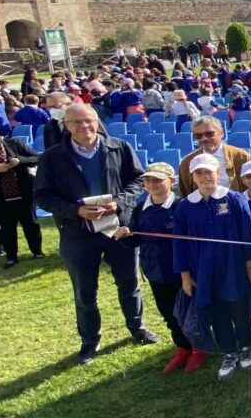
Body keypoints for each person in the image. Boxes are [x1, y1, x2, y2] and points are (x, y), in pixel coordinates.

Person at [34, 103, 157, 364]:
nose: (84, 126)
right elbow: (42, 196)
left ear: (96, 120)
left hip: (118, 228)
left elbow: (137, 180)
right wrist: (74, 210)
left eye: (88, 120)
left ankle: (137, 328)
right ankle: (90, 341)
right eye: (76, 122)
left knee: (129, 282)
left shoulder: (119, 147)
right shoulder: (52, 157)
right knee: (84, 290)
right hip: (78, 233)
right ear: (66, 126)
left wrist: (120, 202)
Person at [173, 153, 251, 379]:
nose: (204, 177)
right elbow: (179, 244)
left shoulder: (235, 199)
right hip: (203, 271)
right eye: (199, 173)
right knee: (217, 312)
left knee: (239, 309)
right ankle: (229, 351)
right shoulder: (184, 206)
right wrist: (185, 276)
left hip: (234, 267)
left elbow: (247, 235)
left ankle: (246, 347)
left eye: (208, 172)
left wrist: (250, 266)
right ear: (192, 177)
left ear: (218, 173)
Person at [113, 163, 203, 373]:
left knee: (187, 312)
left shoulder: (181, 206)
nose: (152, 184)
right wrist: (125, 235)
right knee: (168, 313)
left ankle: (199, 348)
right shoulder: (140, 208)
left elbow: (191, 242)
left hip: (181, 272)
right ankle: (182, 347)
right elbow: (134, 242)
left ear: (171, 182)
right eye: (148, 180)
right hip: (155, 272)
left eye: (157, 180)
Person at [0, 122, 41, 266]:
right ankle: (12, 257)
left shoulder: (15, 144)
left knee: (31, 224)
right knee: (7, 228)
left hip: (23, 193)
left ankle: (37, 251)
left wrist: (20, 160)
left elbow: (37, 158)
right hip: (1, 198)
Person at [178, 116, 251, 194]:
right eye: (198, 136)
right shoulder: (187, 162)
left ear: (221, 133)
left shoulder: (240, 157)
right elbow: (185, 194)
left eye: (209, 134)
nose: (204, 138)